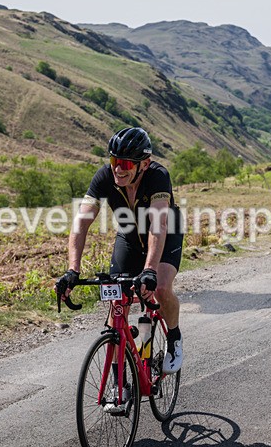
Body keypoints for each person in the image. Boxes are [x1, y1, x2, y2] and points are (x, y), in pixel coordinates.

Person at [58, 127, 185, 382]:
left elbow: (158, 225)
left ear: (144, 164)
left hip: (165, 233)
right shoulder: (104, 177)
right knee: (117, 303)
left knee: (159, 288)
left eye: (126, 163)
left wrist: (149, 269)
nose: (118, 168)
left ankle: (174, 337)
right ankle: (119, 382)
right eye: (115, 161)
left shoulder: (158, 176)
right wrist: (73, 270)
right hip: (129, 238)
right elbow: (81, 223)